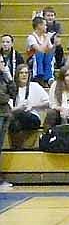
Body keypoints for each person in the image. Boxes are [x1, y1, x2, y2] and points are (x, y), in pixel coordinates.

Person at [8, 63, 48, 149]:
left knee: (18, 117)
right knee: (14, 122)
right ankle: (18, 148)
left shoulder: (35, 86)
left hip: (32, 117)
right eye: (21, 73)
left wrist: (33, 106)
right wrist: (19, 108)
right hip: (16, 117)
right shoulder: (12, 88)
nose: (24, 75)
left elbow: (48, 103)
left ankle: (17, 147)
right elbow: (9, 110)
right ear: (17, 75)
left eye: (26, 73)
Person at [0, 54, 17, 190]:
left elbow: (14, 92)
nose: (2, 64)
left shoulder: (5, 78)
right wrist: (7, 97)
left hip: (5, 114)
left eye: (2, 62)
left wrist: (9, 77)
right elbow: (2, 97)